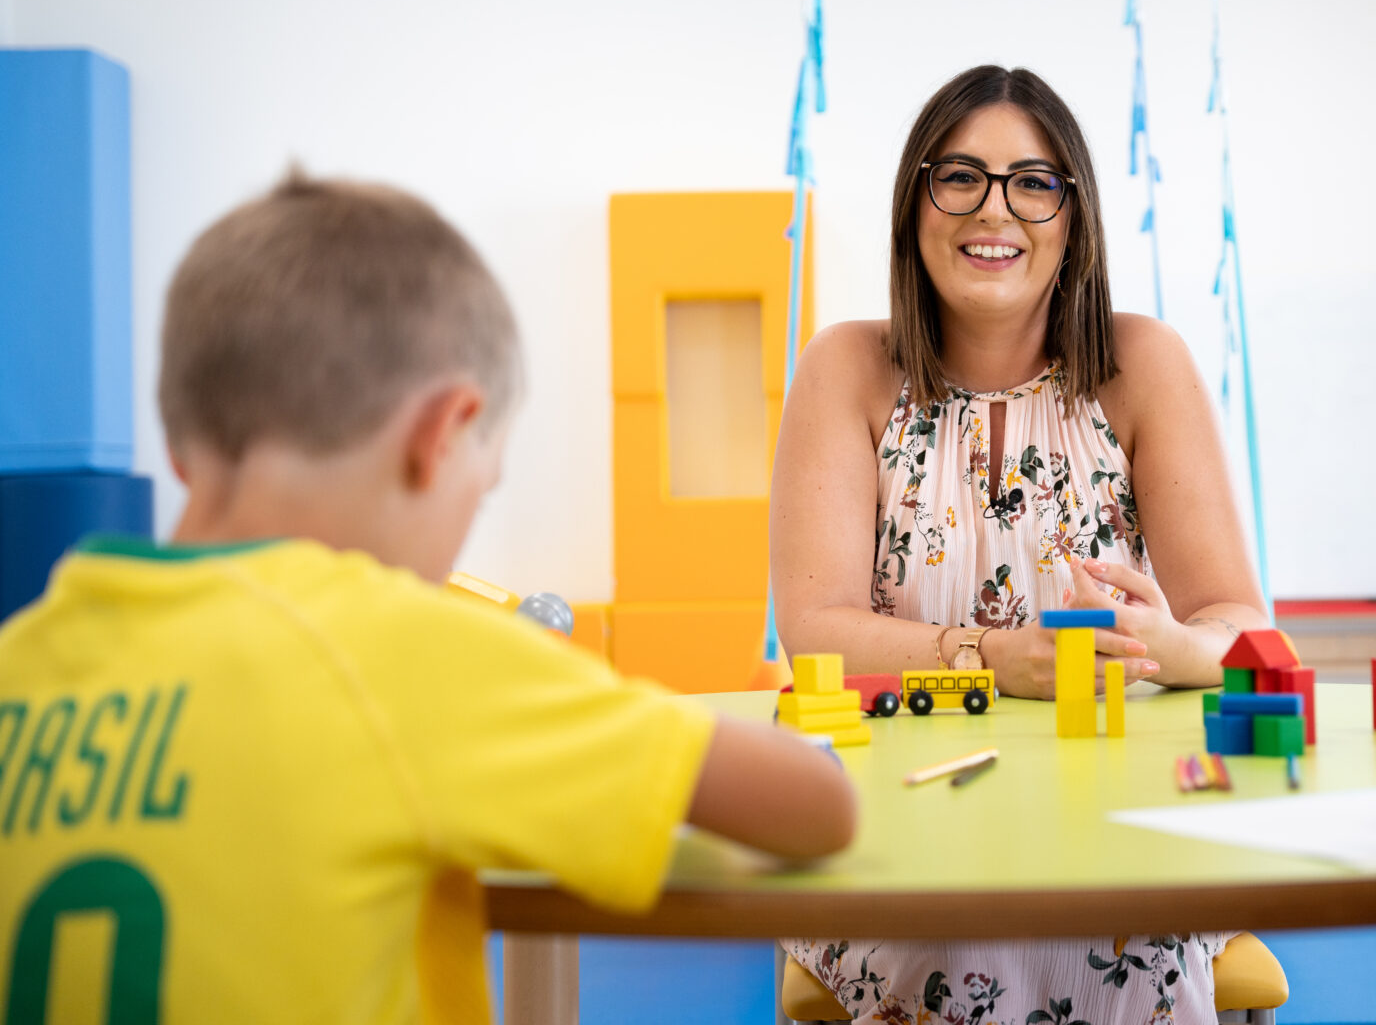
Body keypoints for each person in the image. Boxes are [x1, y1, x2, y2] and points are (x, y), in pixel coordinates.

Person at [0, 172, 856, 1022]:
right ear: (439, 435)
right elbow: (816, 810)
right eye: (480, 492)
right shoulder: (399, 651)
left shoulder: (21, 658)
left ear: (183, 443)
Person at [771, 66, 1273, 1024]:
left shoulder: (1144, 365)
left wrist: (1171, 646)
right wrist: (998, 656)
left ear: (1072, 217)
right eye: (958, 176)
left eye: (1032, 182)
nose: (992, 209)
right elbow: (814, 632)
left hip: (1119, 810)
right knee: (961, 927)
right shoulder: (846, 368)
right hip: (902, 816)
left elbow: (1241, 625)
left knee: (1116, 924)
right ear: (914, 207)